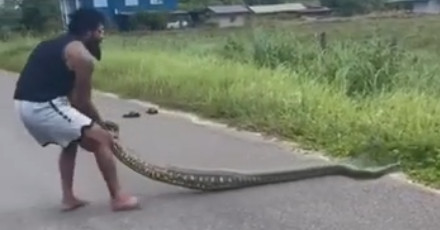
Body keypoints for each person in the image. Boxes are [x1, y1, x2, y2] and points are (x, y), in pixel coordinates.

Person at [13, 8, 140, 212]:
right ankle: (118, 198)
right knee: (101, 139)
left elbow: (72, 99)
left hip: (28, 104)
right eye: (100, 31)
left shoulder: (55, 44)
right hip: (42, 105)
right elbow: (81, 101)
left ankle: (68, 198)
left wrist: (95, 124)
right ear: (88, 32)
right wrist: (102, 128)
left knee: (70, 141)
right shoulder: (81, 57)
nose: (102, 35)